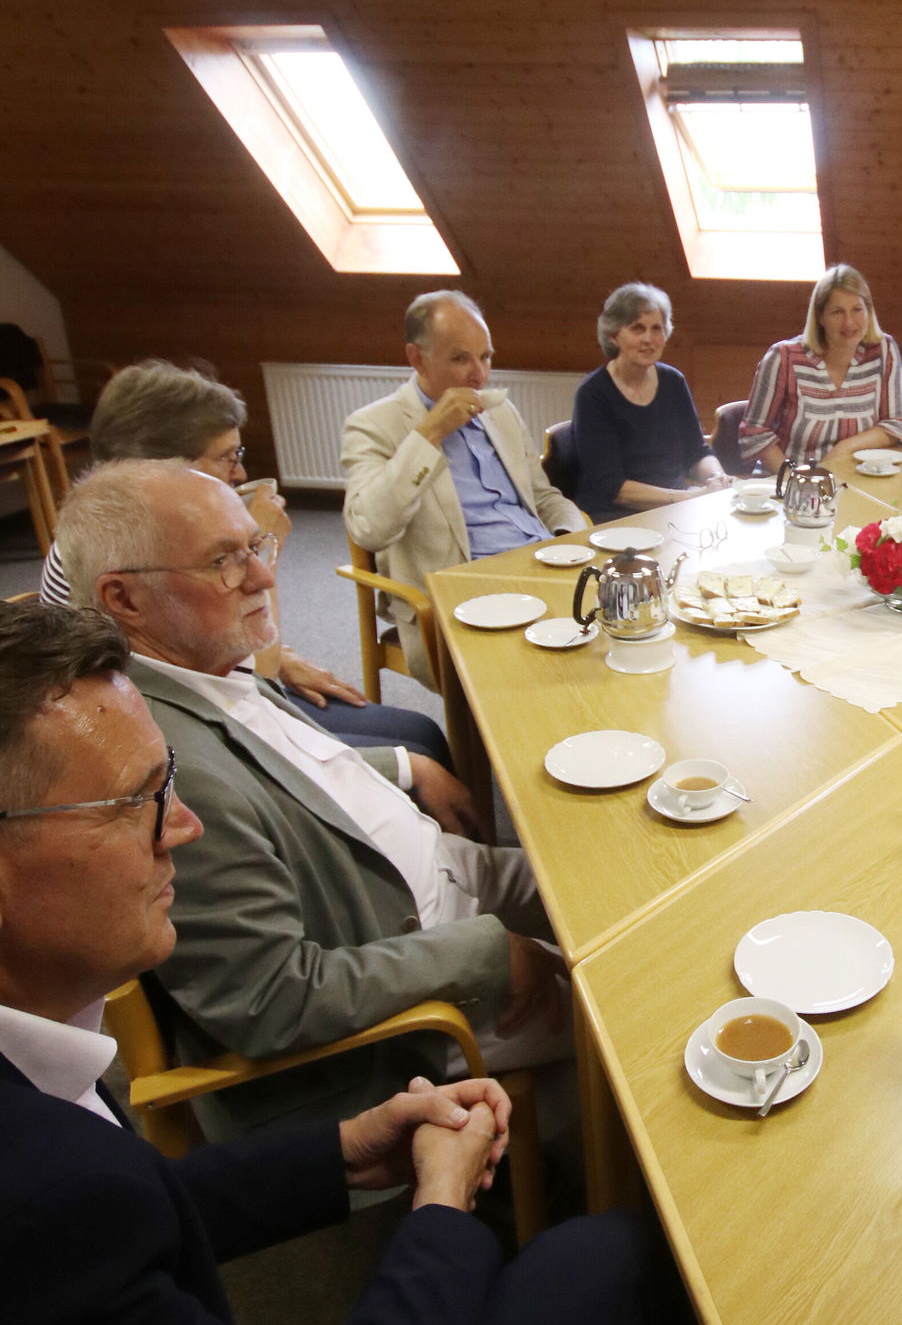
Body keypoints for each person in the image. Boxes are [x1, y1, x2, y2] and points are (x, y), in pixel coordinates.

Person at [0, 599, 701, 1325]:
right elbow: (87, 1213)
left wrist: (341, 1151)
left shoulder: (41, 1075)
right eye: (137, 803)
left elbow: (135, 1207)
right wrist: (439, 1211)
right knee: (640, 1262)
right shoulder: (33, 1207)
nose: (184, 828)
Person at [57, 460, 569, 1139]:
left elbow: (293, 768)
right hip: (405, 996)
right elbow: (272, 996)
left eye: (254, 547)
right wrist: (488, 954)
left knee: (604, 887)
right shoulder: (166, 765)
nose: (266, 577)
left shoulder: (196, 664)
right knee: (638, 997)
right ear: (123, 600)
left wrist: (407, 765)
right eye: (222, 562)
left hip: (425, 878)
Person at [36, 358, 450, 766]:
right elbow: (258, 676)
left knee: (420, 732)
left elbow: (230, 651)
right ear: (164, 470)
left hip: (223, 692)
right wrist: (261, 547)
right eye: (227, 457)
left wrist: (282, 657)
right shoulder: (138, 559)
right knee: (415, 749)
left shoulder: (123, 529)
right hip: (194, 734)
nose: (240, 473)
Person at [342, 291, 584, 688]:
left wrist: (571, 539)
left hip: (541, 568)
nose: (479, 374)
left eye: (485, 356)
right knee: (543, 678)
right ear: (416, 358)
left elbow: (544, 498)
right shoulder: (373, 425)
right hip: (464, 593)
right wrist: (429, 434)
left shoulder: (501, 412)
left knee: (628, 619)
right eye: (460, 359)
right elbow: (369, 528)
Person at [570, 282, 731, 523]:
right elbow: (612, 488)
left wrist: (718, 479)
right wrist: (690, 498)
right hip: (615, 518)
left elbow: (696, 451)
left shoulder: (673, 381)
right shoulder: (593, 393)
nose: (649, 339)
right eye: (637, 328)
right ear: (614, 335)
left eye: (656, 329)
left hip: (673, 507)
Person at [739, 263, 902, 473]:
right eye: (837, 312)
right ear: (820, 317)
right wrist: (795, 482)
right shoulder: (783, 358)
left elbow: (897, 425)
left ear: (869, 311)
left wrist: (845, 447)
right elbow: (754, 433)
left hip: (858, 479)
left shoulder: (884, 350)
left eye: (857, 310)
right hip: (787, 483)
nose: (849, 322)